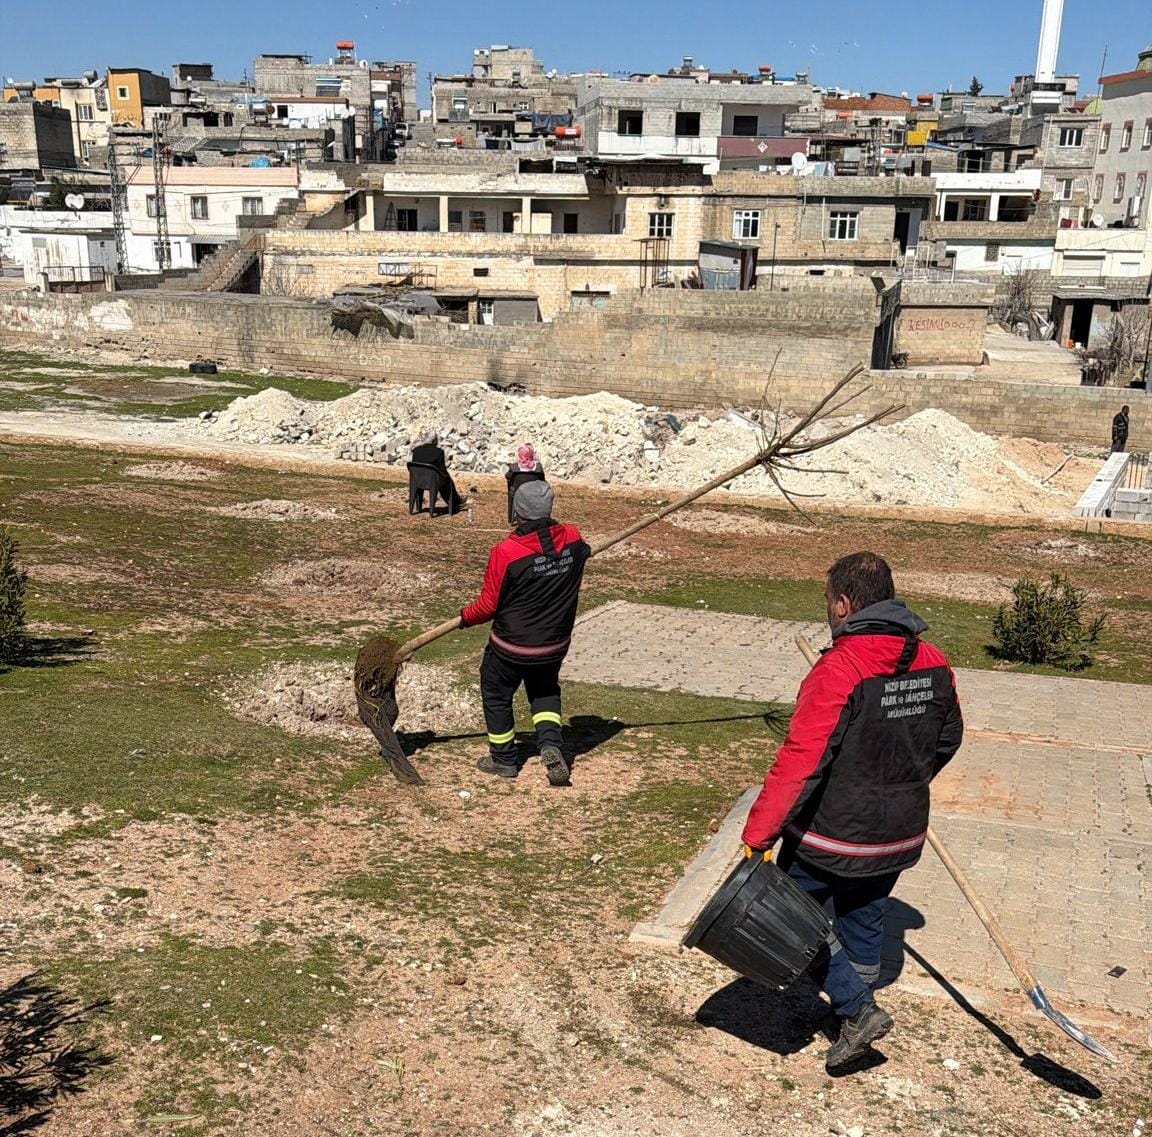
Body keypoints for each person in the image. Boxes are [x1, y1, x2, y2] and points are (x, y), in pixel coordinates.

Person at [742, 551, 963, 1072]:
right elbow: (948, 737)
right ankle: (852, 1008)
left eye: (827, 604)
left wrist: (759, 836)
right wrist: (903, 782)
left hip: (832, 839)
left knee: (790, 923)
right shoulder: (934, 662)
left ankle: (857, 1010)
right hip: (898, 836)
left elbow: (802, 763)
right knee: (864, 916)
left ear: (843, 604)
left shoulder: (839, 670)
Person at [459, 480, 590, 787]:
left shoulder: (507, 552)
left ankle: (504, 759)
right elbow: (581, 552)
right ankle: (550, 745)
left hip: (511, 646)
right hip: (553, 644)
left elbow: (488, 606)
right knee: (544, 691)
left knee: (496, 693)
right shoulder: (573, 538)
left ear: (517, 511)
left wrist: (464, 618)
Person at [409, 430, 463, 514]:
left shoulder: (417, 450)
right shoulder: (439, 452)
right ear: (435, 440)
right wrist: (446, 476)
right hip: (432, 480)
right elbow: (442, 469)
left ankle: (417, 506)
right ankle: (455, 504)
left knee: (438, 478)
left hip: (417, 480)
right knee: (447, 481)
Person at [504, 443, 546, 523]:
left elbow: (507, 476)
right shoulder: (538, 468)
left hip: (518, 493)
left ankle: (514, 517)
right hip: (534, 493)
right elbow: (542, 480)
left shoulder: (514, 468)